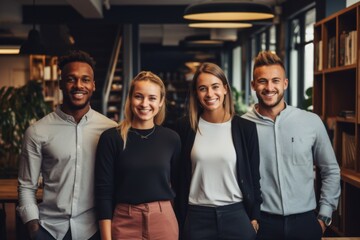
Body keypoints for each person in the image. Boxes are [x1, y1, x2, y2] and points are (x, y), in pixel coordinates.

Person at [17, 50, 118, 240]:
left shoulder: (111, 130)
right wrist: (33, 228)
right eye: (71, 79)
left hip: (95, 230)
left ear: (93, 85)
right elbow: (26, 187)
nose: (78, 85)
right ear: (61, 84)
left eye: (85, 79)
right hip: (49, 230)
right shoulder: (37, 131)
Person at [242, 50, 341, 240]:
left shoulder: (311, 122)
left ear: (285, 83)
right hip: (261, 224)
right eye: (262, 81)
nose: (269, 87)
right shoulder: (241, 126)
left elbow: (330, 170)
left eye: (275, 81)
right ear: (253, 85)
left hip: (305, 223)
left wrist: (324, 217)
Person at [174, 62, 262, 240]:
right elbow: (176, 177)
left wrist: (254, 216)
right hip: (196, 217)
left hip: (236, 215)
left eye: (215, 87)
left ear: (225, 89)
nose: (210, 94)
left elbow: (254, 177)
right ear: (196, 94)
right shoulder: (184, 127)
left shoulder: (246, 128)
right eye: (202, 88)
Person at [94, 71, 181, 240]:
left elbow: (179, 186)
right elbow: (103, 192)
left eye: (152, 98)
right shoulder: (112, 138)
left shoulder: (171, 138)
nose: (144, 104)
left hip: (163, 222)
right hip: (124, 222)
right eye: (139, 96)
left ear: (161, 101)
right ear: (130, 98)